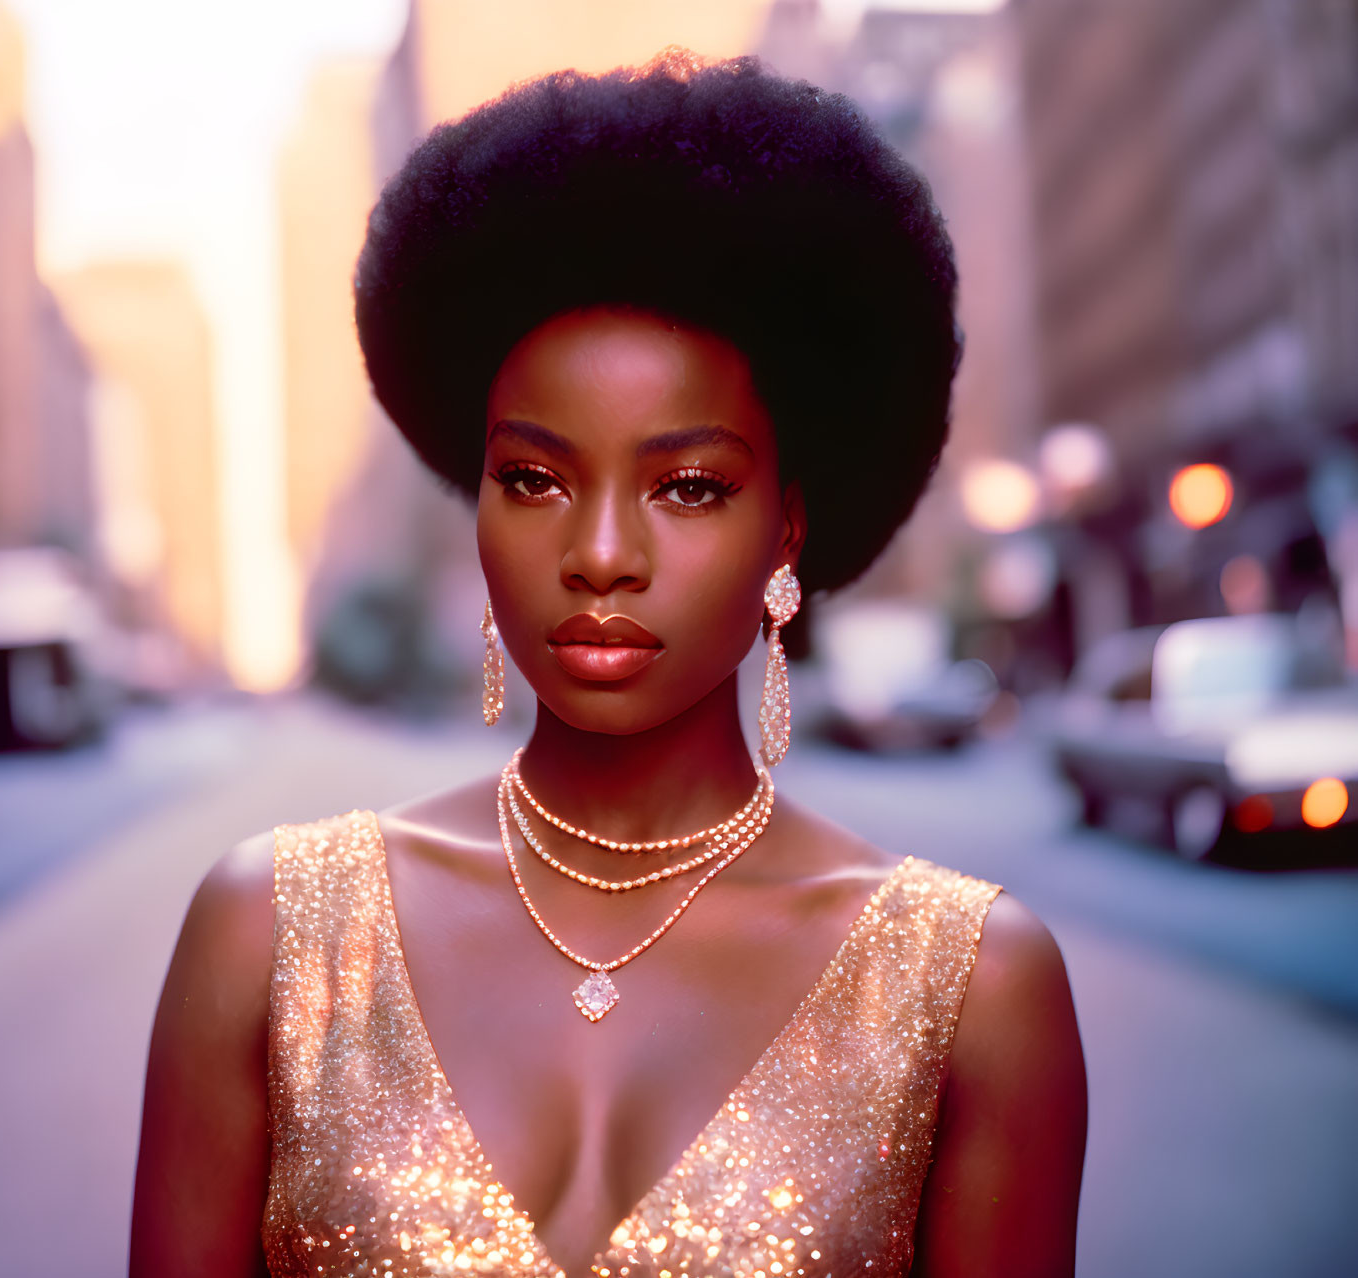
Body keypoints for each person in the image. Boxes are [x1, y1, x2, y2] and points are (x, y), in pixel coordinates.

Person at [129, 49, 1087, 1278]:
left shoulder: (970, 992)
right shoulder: (272, 937)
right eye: (532, 479)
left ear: (785, 527)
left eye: (686, 487)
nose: (596, 554)